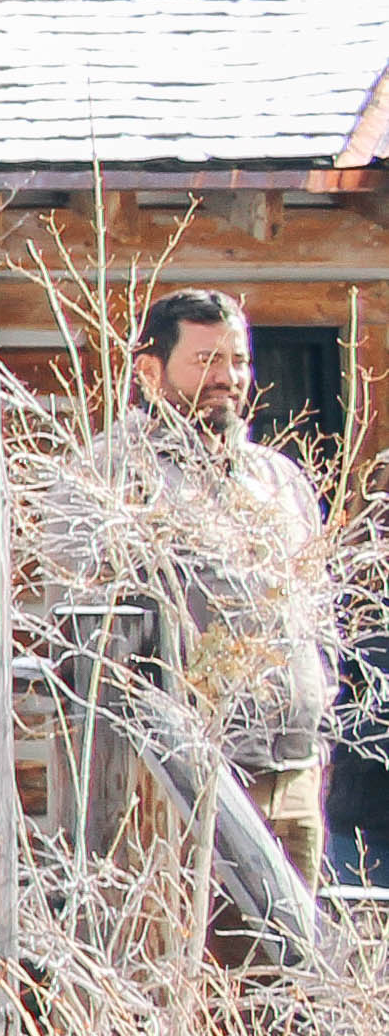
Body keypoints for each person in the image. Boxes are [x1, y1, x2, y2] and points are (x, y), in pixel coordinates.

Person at [113, 288, 335, 877]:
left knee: (289, 961)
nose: (228, 377)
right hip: (188, 779)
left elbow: (319, 619)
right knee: (197, 963)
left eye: (238, 360)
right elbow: (91, 641)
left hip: (293, 774)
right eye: (206, 360)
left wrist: (322, 739)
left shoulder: (280, 481)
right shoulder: (116, 479)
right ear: (151, 372)